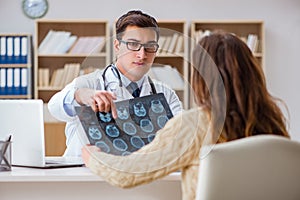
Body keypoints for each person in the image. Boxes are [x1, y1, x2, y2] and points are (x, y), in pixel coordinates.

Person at [81, 30, 290, 200]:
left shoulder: (195, 124)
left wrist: (93, 157)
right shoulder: (272, 120)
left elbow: (127, 173)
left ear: (201, 78)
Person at [48, 10, 183, 157]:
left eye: (150, 46)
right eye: (133, 44)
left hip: (141, 175)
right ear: (117, 46)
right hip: (86, 175)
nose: (142, 54)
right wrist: (80, 96)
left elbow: (182, 136)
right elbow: (54, 107)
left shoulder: (165, 93)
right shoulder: (89, 83)